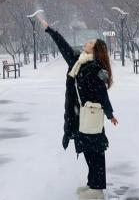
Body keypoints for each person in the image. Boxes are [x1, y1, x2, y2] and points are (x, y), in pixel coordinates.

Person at [38, 18, 118, 200]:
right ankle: (92, 184)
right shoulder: (78, 62)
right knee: (88, 150)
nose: (86, 43)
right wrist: (50, 30)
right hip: (80, 115)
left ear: (95, 50)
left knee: (95, 151)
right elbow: (63, 47)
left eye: (91, 43)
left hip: (90, 115)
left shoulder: (96, 68)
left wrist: (109, 113)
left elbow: (102, 94)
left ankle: (97, 189)